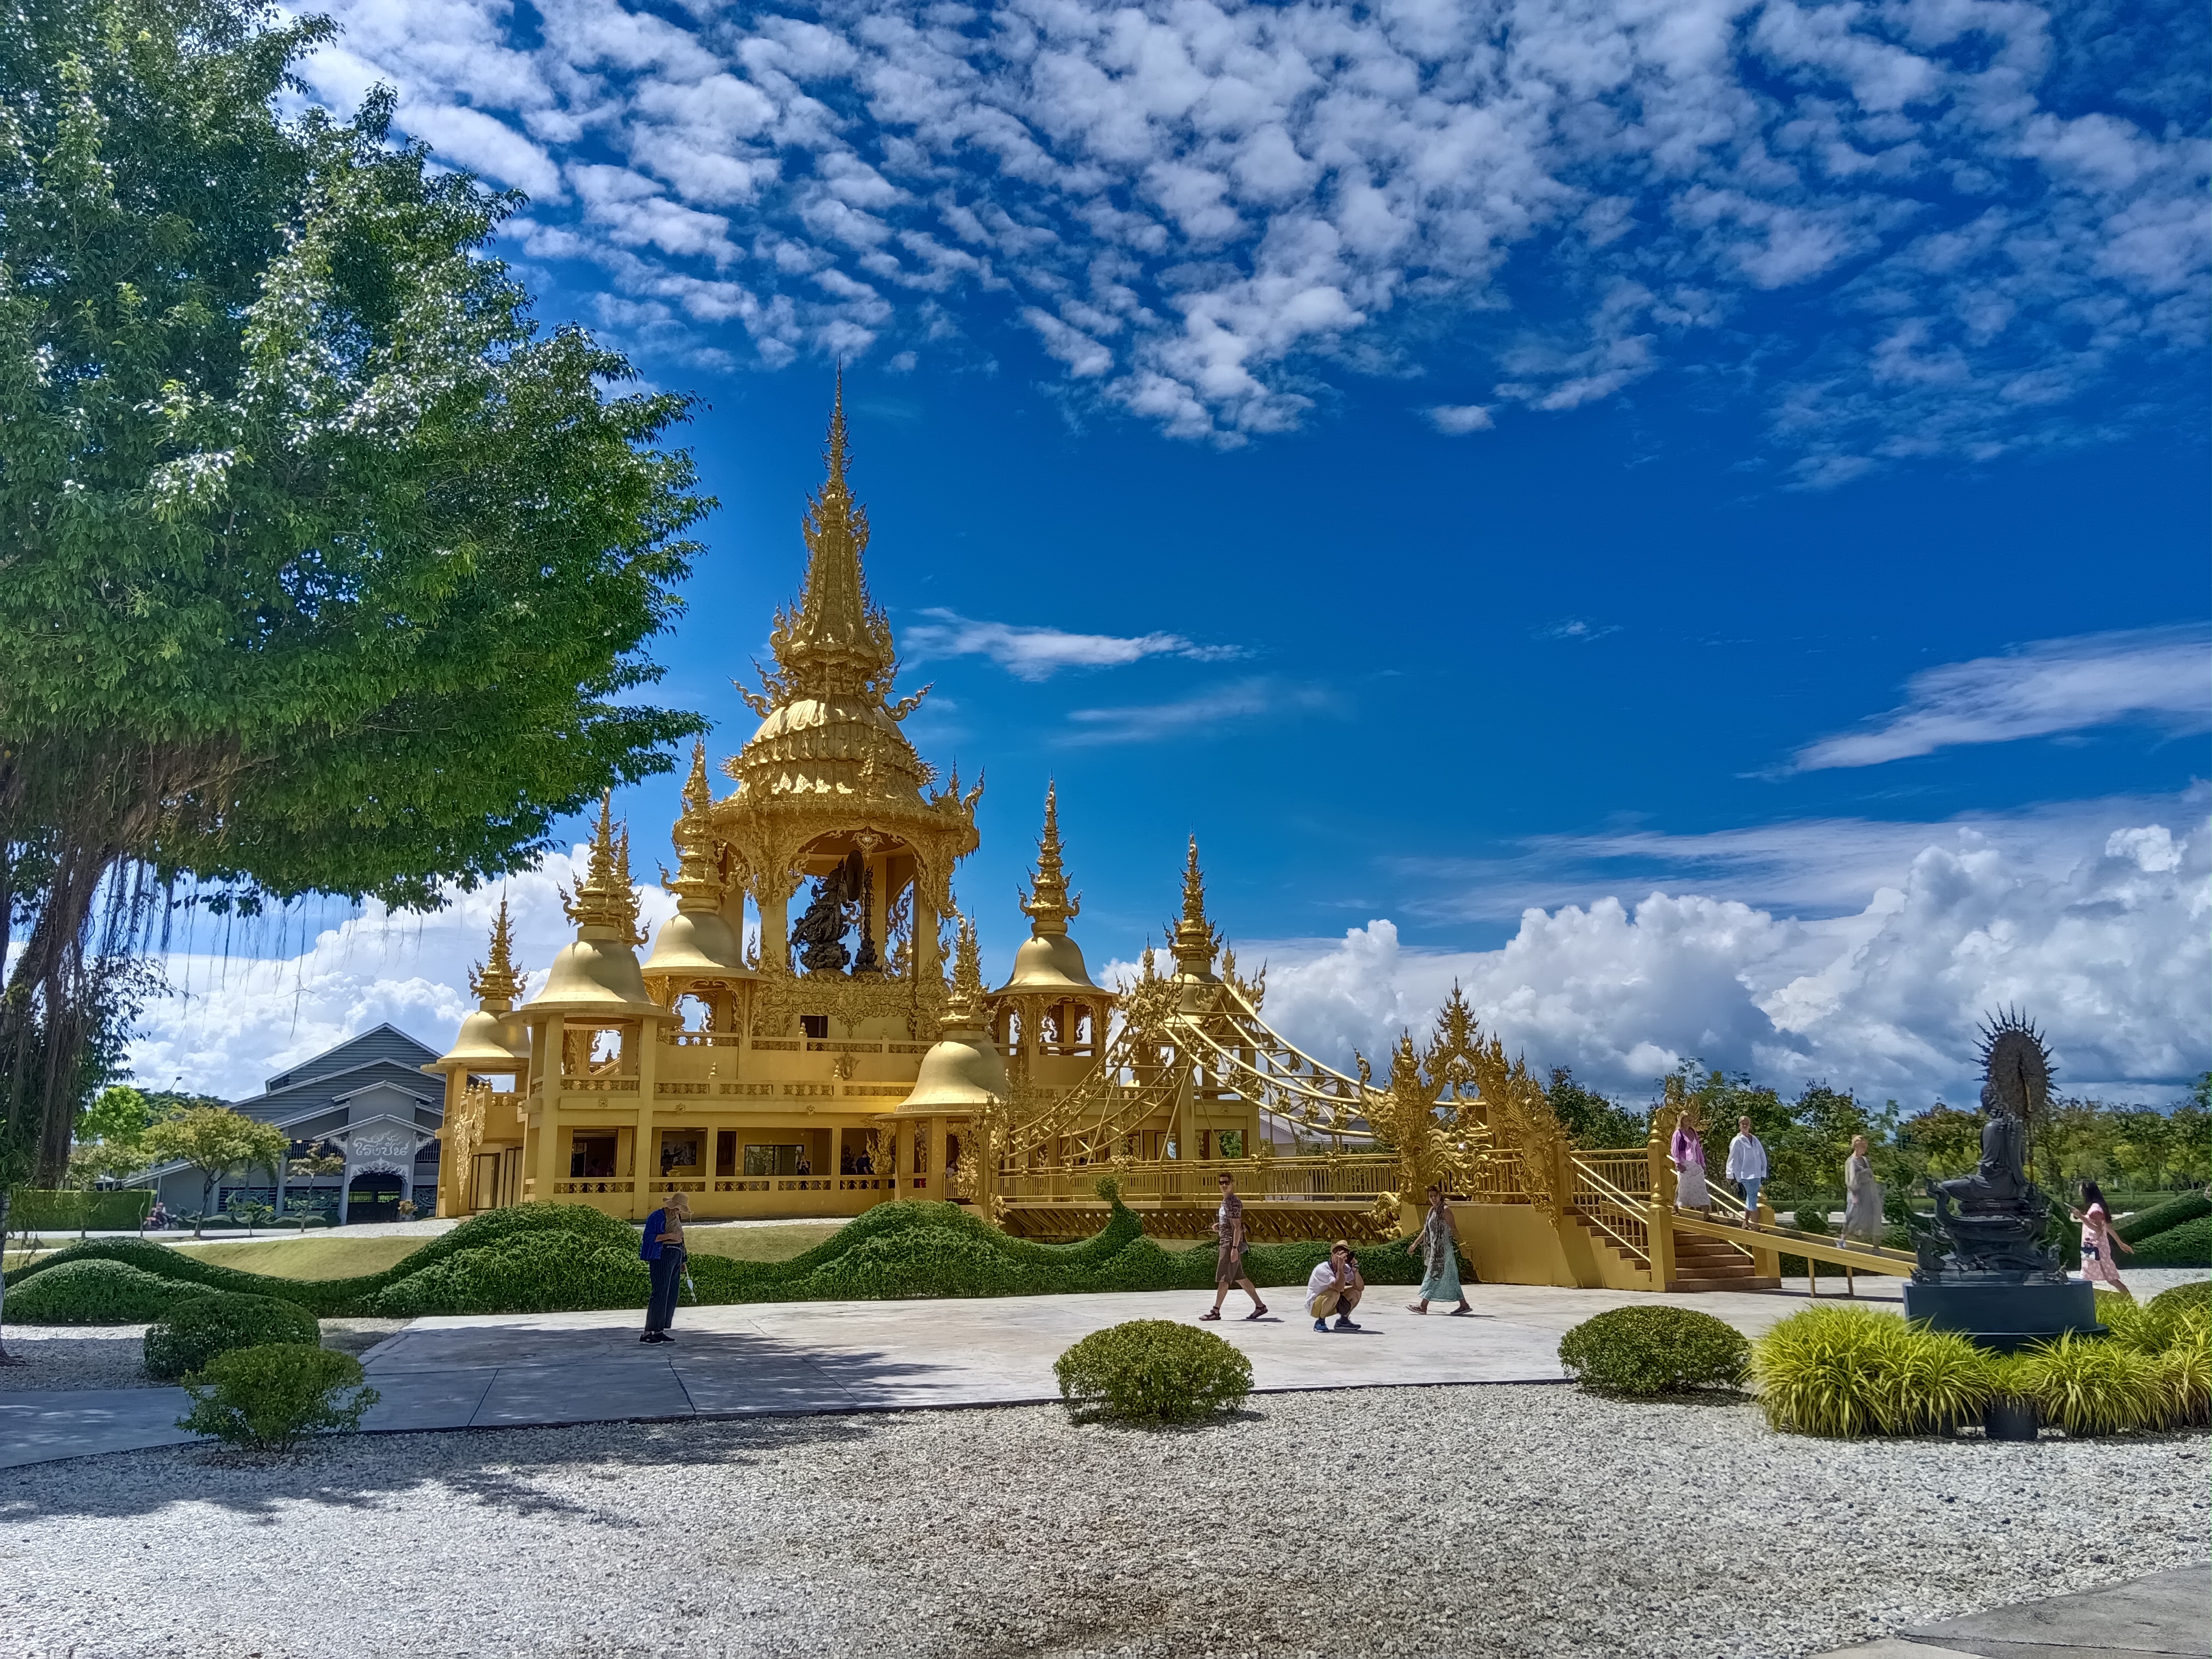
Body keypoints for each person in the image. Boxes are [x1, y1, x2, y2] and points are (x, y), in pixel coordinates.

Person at [1200, 1172, 1268, 1322]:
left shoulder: (1233, 1202)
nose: (1224, 1185)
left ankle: (1215, 1311)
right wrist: (1221, 1226)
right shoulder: (1225, 1202)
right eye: (1221, 1183)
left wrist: (1235, 1248)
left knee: (1224, 1278)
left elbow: (1238, 1227)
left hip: (1229, 1244)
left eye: (1227, 1182)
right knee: (1240, 1278)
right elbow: (1232, 1224)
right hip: (1226, 1240)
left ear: (1232, 1183)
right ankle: (1260, 1306)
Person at [1407, 1185, 1475, 1315]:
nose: (1433, 1198)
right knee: (1451, 1278)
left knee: (1433, 1275)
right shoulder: (1432, 1211)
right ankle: (1464, 1304)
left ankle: (1423, 1306)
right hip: (1435, 1250)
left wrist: (1462, 1246)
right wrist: (1415, 1244)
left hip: (1443, 1251)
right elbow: (1426, 1230)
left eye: (1435, 1195)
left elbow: (1454, 1229)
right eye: (1430, 1196)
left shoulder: (1445, 1210)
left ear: (1440, 1195)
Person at [639, 1190, 690, 1344]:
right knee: (660, 1293)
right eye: (677, 1208)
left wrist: (683, 1259)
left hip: (676, 1256)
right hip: (662, 1255)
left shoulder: (676, 1217)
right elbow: (648, 1238)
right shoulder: (658, 1216)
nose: (678, 1211)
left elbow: (681, 1239)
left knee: (671, 1294)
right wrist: (669, 1237)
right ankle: (648, 1332)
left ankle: (660, 1329)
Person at [2072, 1180, 2134, 1298]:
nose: (2080, 1192)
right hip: (2092, 1247)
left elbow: (2098, 1229)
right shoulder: (2095, 1207)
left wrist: (2081, 1216)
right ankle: (2129, 1300)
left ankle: (2129, 1300)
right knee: (2095, 1275)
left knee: (2108, 1277)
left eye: (2081, 1189)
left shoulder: (2095, 1208)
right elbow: (2108, 1227)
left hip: (2097, 1249)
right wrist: (2120, 1243)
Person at [1305, 1240, 1365, 1331]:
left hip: (1332, 1303)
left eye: (1344, 1253)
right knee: (1335, 1293)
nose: (1342, 1257)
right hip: (1315, 1306)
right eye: (1338, 1253)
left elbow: (1360, 1288)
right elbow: (1339, 1288)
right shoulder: (1322, 1270)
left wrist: (1355, 1269)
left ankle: (1343, 1321)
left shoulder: (1346, 1268)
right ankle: (1320, 1322)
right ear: (1332, 1256)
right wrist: (1340, 1268)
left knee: (1356, 1292)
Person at [1841, 1134, 1883, 1246]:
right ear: (1856, 1145)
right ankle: (1842, 1240)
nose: (1865, 1147)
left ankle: (1876, 1247)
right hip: (1858, 1196)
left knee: (1875, 1218)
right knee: (1854, 1218)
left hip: (1870, 1194)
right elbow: (1851, 1181)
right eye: (1863, 1145)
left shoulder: (1865, 1160)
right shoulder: (1851, 1162)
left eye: (1866, 1145)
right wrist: (1856, 1194)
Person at [1726, 1116, 1769, 1228]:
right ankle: (1756, 1225)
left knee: (1751, 1197)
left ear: (1750, 1125)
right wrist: (1730, 1174)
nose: (1745, 1125)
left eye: (1747, 1123)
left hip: (1756, 1173)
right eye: (1743, 1124)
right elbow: (1732, 1158)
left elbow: (1762, 1154)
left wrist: (1764, 1170)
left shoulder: (1755, 1140)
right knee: (1752, 1197)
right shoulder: (1737, 1141)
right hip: (1744, 1173)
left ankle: (1746, 1222)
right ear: (1739, 1126)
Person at [1670, 1115, 1710, 1211]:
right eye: (1688, 1119)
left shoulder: (1693, 1131)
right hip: (1684, 1163)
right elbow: (1674, 1149)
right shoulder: (1678, 1133)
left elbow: (1698, 1149)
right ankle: (1675, 1208)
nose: (1690, 1121)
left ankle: (1706, 1215)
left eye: (1690, 1119)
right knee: (1682, 1187)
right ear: (1682, 1120)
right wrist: (1678, 1163)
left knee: (1702, 1188)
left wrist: (1702, 1162)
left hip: (1695, 1163)